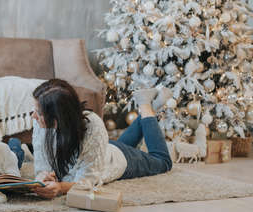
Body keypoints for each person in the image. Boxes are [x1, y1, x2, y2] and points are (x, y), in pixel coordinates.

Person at [31, 79, 173, 199]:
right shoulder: (41, 124)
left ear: (58, 117)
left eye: (38, 112)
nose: (33, 116)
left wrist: (61, 187)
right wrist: (43, 177)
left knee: (163, 162)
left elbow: (88, 182)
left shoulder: (93, 125)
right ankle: (153, 109)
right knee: (112, 146)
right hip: (99, 150)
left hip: (117, 160)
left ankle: (145, 105)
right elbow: (42, 167)